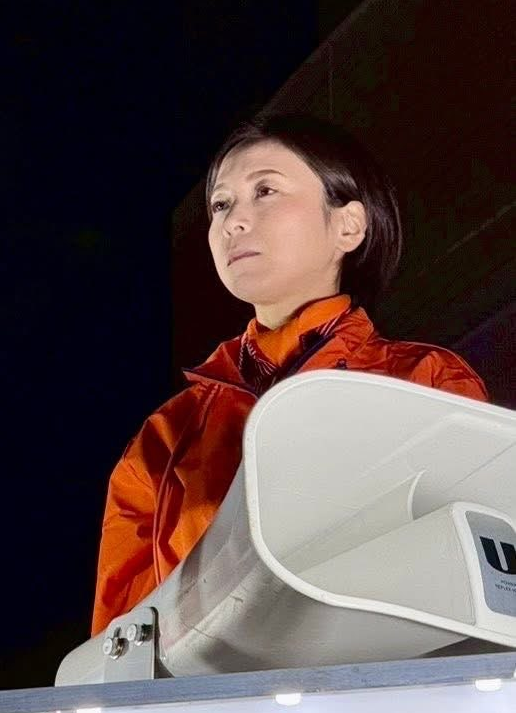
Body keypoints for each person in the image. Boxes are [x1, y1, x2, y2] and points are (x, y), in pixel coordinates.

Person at [93, 114, 488, 634]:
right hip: (213, 686)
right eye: (221, 204)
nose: (233, 221)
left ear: (348, 226)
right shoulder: (165, 437)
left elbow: (477, 578)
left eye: (265, 191)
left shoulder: (425, 381)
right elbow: (121, 644)